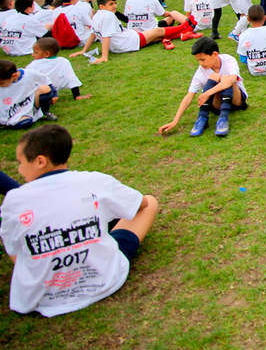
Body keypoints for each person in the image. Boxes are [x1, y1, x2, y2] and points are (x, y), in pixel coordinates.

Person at [0, 124, 159, 317]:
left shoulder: (13, 201)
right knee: (149, 202)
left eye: (20, 162)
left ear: (41, 161)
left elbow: (15, 252)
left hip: (39, 297)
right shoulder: (96, 182)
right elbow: (140, 204)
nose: (19, 169)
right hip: (103, 281)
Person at [158, 37, 249, 137]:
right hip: (217, 105)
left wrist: (206, 93)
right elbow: (189, 96)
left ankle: (223, 118)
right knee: (214, 77)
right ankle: (202, 118)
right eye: (198, 61)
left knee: (226, 79)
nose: (200, 63)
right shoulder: (201, 71)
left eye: (202, 59)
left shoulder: (228, 60)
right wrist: (175, 121)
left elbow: (231, 80)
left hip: (237, 101)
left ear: (214, 54)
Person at [69, 0, 193, 61]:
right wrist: (104, 57)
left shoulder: (97, 16)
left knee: (157, 37)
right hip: (130, 42)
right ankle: (187, 26)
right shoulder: (108, 16)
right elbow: (105, 36)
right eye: (111, 4)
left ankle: (184, 33)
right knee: (158, 31)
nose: (115, 6)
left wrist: (83, 50)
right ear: (102, 6)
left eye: (115, 3)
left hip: (127, 41)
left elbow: (93, 33)